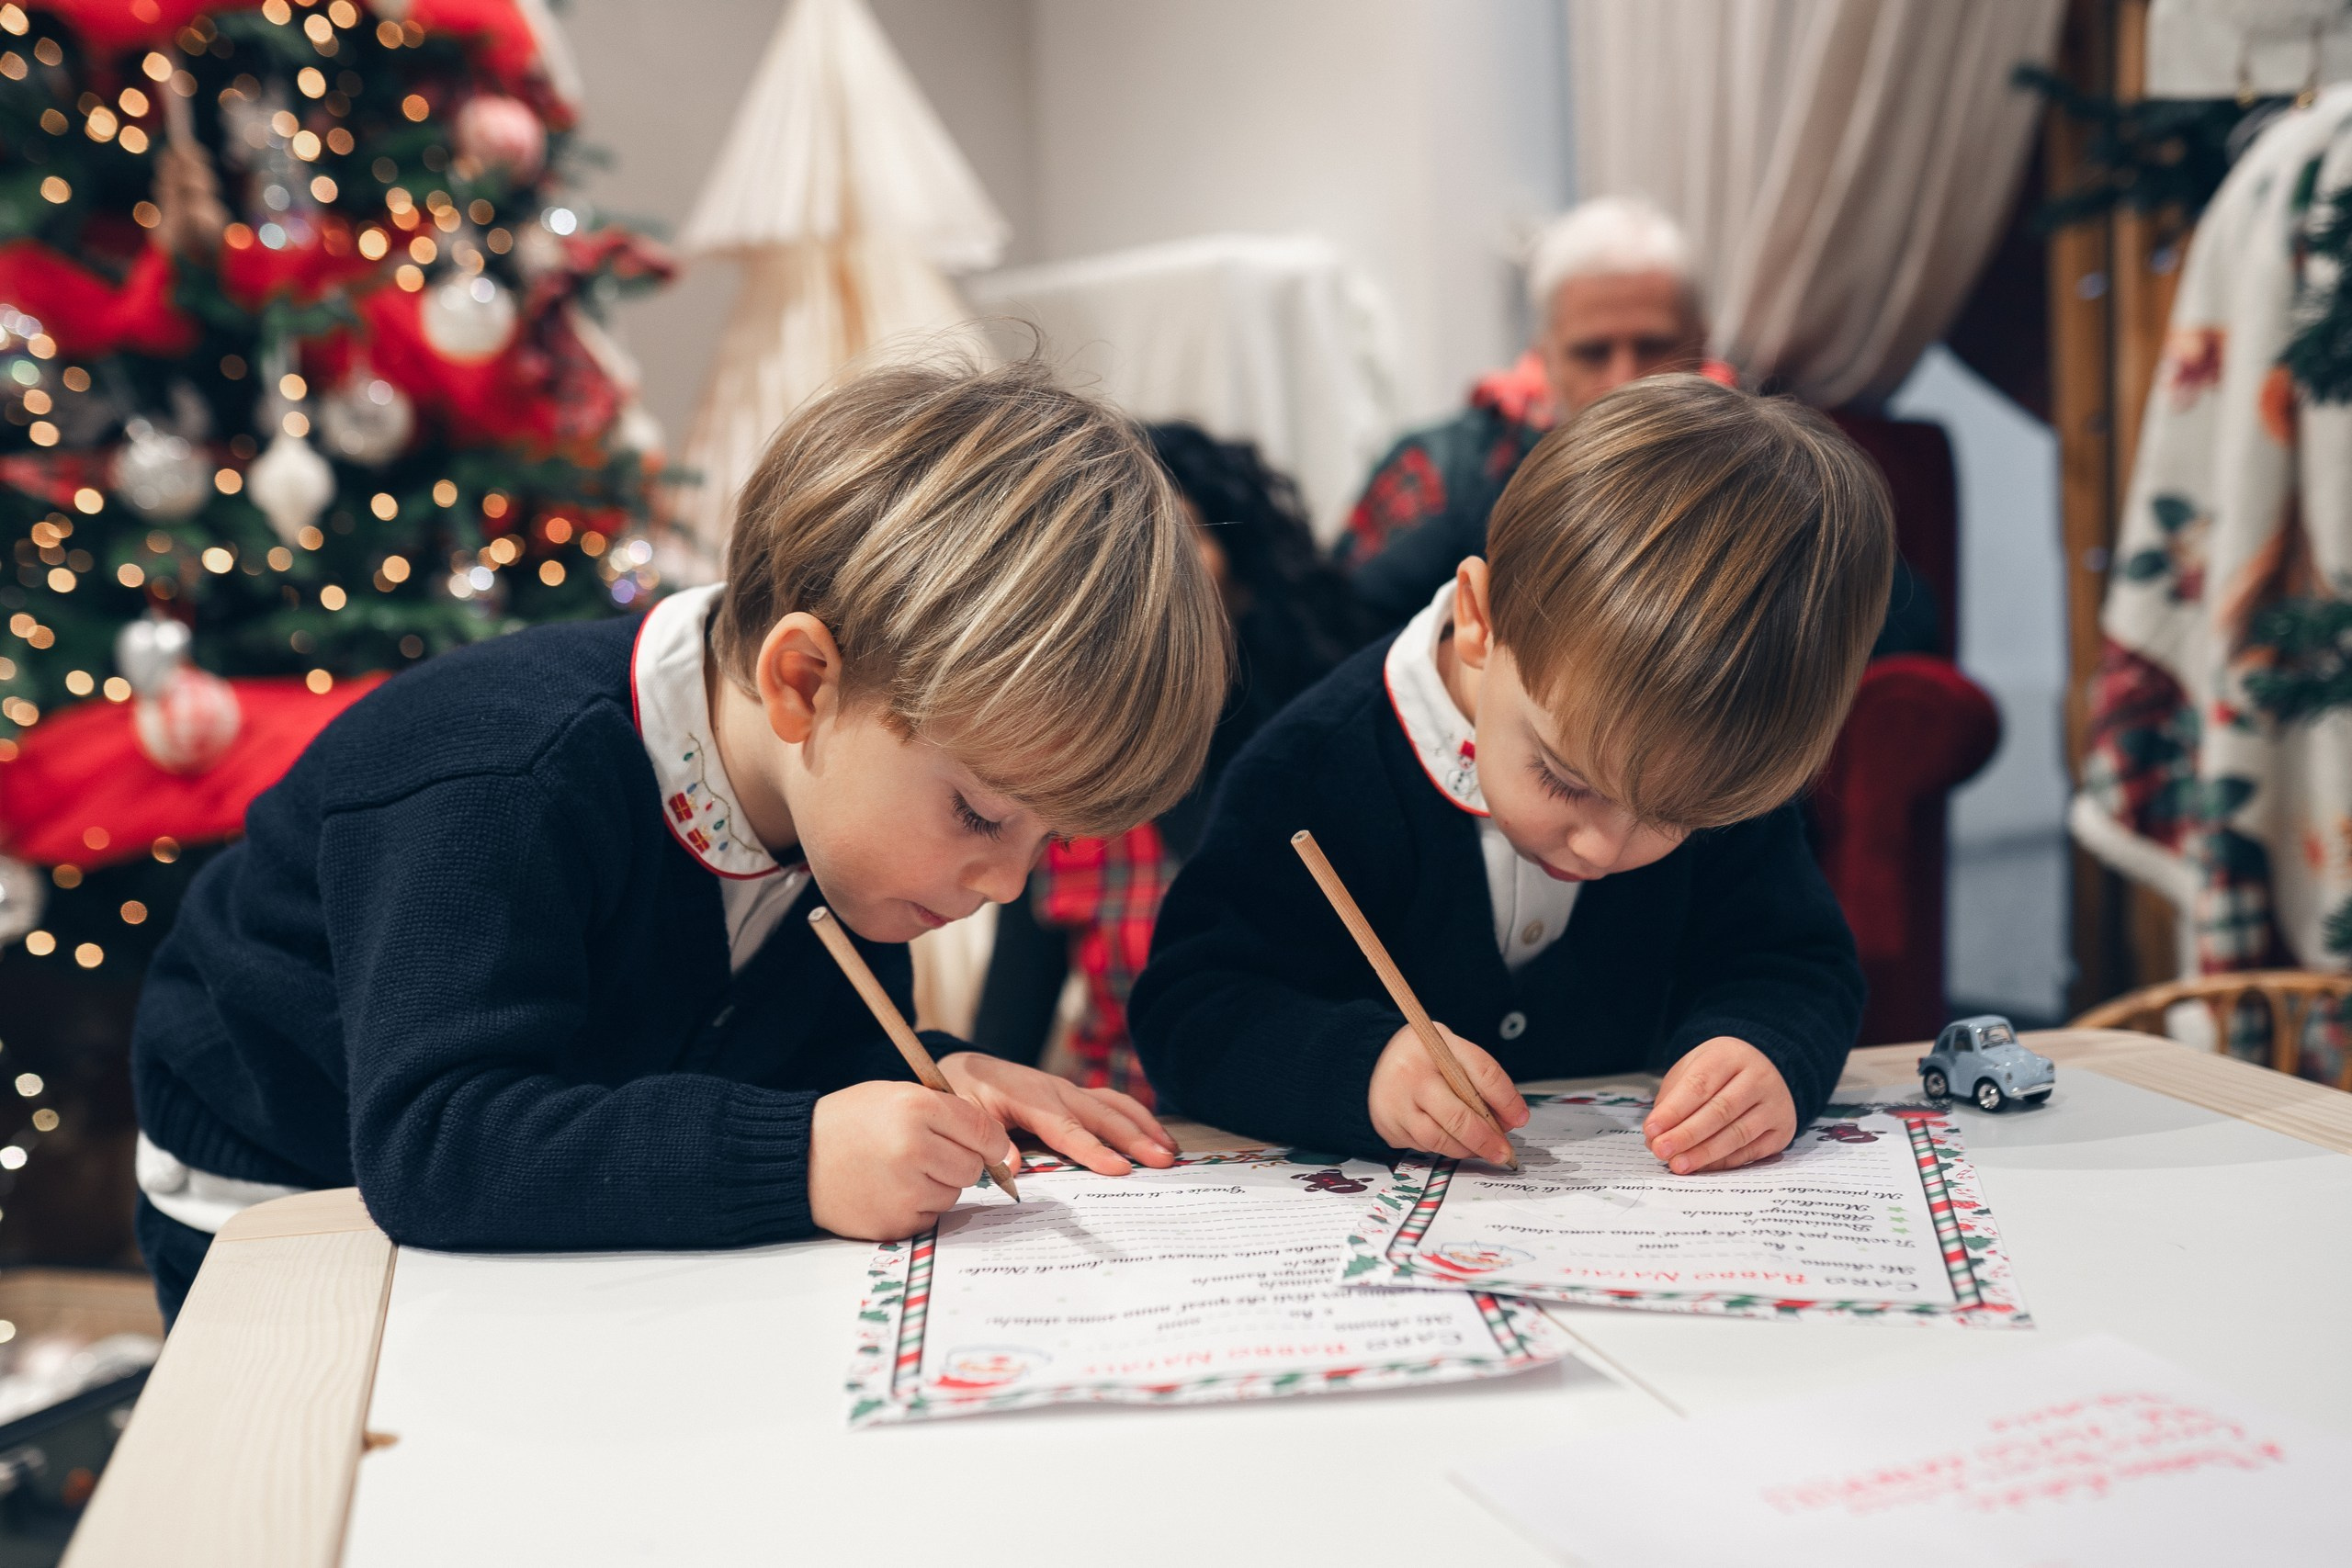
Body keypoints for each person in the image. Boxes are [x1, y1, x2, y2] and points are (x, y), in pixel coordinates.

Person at [128, 359, 1230, 1325]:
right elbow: (440, 1140)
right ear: (803, 682)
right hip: (285, 1199)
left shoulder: (837, 813)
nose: (1002, 882)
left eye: (1043, 840)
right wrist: (800, 1159)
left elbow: (749, 1056)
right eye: (981, 816)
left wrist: (925, 1074)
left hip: (485, 1179)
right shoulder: (501, 774)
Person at [1131, 376, 1888, 1175]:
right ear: (1480, 623)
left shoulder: (1708, 760)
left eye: (1671, 817)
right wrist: (1363, 1072)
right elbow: (1194, 1010)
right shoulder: (1311, 771)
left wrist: (1763, 1051)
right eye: (1565, 779)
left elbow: (1796, 962)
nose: (1602, 846)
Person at [1342, 197, 1937, 656]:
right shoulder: (1449, 467)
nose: (1625, 377)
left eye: (1652, 345)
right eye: (1592, 352)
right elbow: (1335, 634)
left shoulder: (1777, 455)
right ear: (1544, 354)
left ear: (1701, 340)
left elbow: (1901, 622)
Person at [971, 423, 1368, 1101]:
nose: (1140, 576)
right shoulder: (1056, 785)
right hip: (1121, 1149)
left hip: (1301, 1136)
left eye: (1176, 538)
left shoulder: (1333, 766)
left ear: (1245, 574)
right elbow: (1006, 1031)